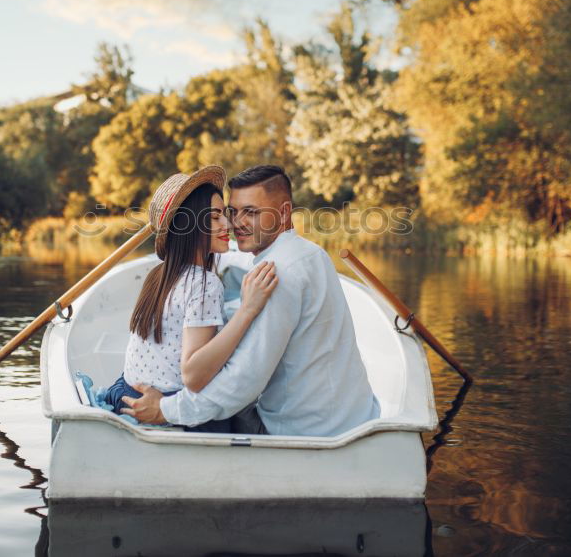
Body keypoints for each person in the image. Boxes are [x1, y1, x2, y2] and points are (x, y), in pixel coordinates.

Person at [121, 165, 381, 437]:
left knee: (224, 408)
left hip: (305, 431)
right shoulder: (311, 253)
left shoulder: (276, 274)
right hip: (354, 414)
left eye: (251, 213)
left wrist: (166, 409)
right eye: (232, 212)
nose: (235, 223)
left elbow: (243, 380)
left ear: (283, 213)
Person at [101, 165, 279, 432]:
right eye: (214, 217)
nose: (228, 224)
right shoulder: (205, 284)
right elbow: (194, 376)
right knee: (247, 415)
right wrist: (248, 309)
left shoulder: (158, 275)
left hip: (123, 393)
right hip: (162, 407)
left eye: (225, 215)